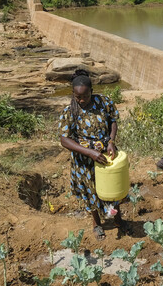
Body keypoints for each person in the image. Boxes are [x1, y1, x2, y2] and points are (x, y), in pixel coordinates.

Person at [58, 69, 131, 240]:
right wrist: (89, 152)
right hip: (84, 161)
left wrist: (111, 141)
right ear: (73, 94)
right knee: (91, 192)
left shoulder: (103, 102)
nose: (81, 100)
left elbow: (112, 120)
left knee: (113, 187)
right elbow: (64, 140)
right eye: (78, 97)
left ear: (92, 90)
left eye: (85, 96)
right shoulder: (70, 111)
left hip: (106, 155)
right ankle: (97, 224)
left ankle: (118, 220)